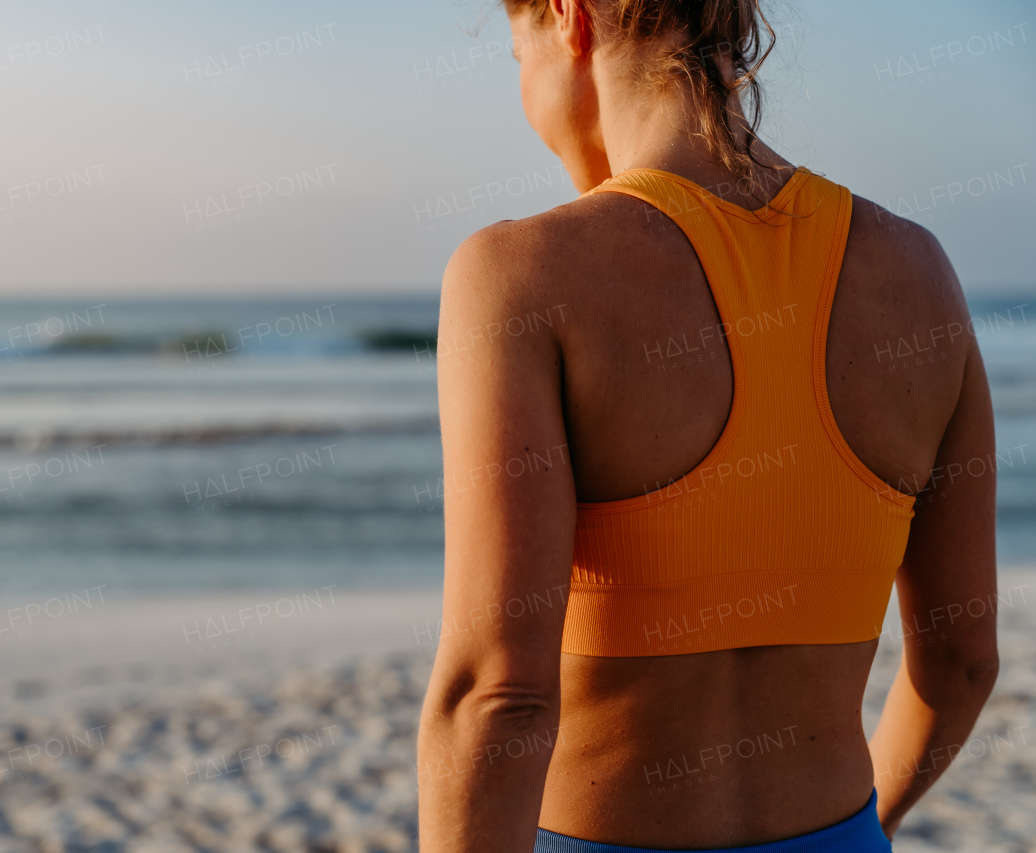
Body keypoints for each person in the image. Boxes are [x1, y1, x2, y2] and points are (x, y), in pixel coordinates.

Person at [415, 1, 1000, 850]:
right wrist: (867, 828)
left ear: (568, 19)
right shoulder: (921, 275)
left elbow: (495, 695)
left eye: (517, 56)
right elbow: (964, 663)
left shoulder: (515, 277)